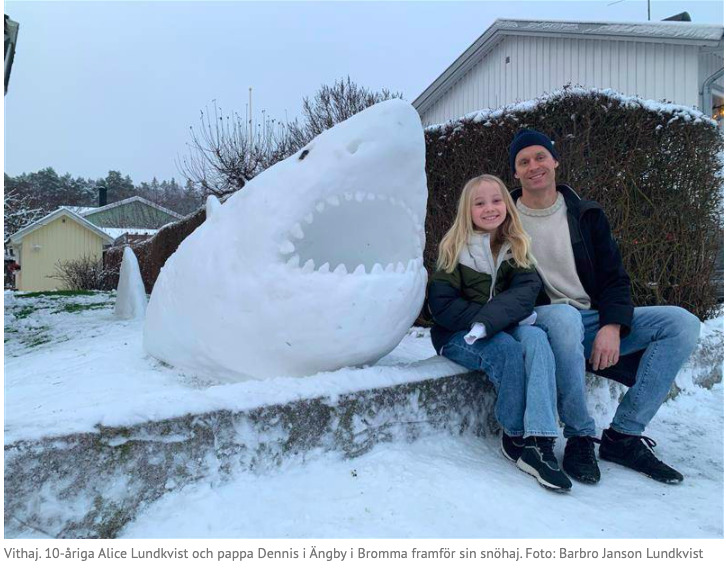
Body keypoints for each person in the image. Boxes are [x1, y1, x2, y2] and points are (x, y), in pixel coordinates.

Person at [508, 129, 701, 485]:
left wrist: (612, 327)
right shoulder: (503, 220)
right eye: (524, 162)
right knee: (565, 316)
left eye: (540, 157)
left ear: (554, 162)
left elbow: (615, 278)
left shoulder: (586, 214)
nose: (534, 166)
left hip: (590, 322)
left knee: (681, 323)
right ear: (515, 174)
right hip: (540, 323)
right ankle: (580, 435)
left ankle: (623, 437)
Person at [427, 174, 572, 491]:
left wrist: (494, 320)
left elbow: (525, 292)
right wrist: (493, 321)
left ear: (507, 204)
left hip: (500, 327)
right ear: (468, 210)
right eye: (479, 203)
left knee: (536, 338)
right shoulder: (454, 248)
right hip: (457, 334)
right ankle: (515, 435)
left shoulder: (516, 246)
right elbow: (443, 307)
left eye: (496, 200)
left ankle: (542, 438)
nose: (489, 208)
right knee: (506, 349)